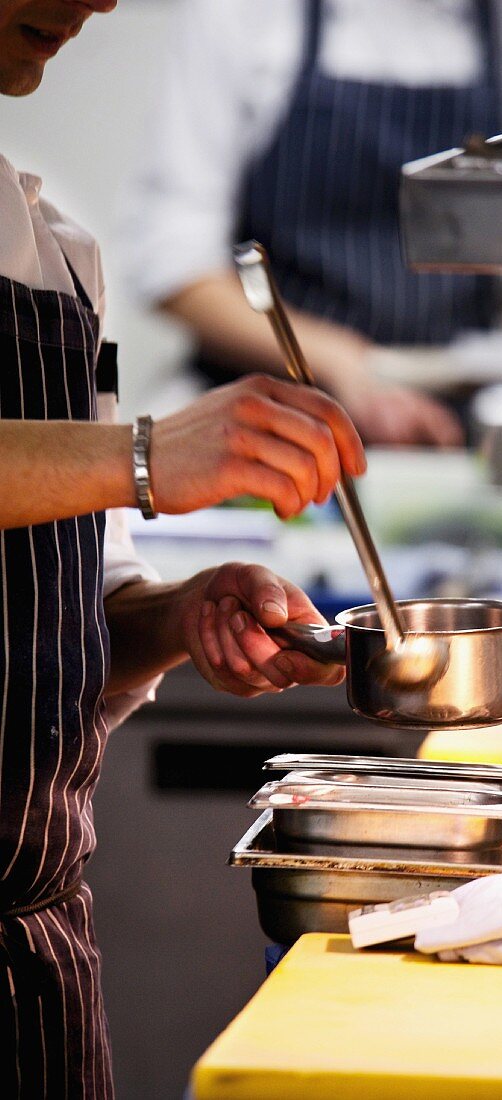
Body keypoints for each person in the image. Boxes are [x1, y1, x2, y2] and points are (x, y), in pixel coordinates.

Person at [0, 2, 367, 1096]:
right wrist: (148, 454)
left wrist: (175, 617)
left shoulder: (53, 252)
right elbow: (127, 466)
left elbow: (57, 607)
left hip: (34, 956)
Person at [122, 0, 502, 447]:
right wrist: (344, 365)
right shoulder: (242, 13)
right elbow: (172, 260)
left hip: (463, 429)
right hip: (268, 422)